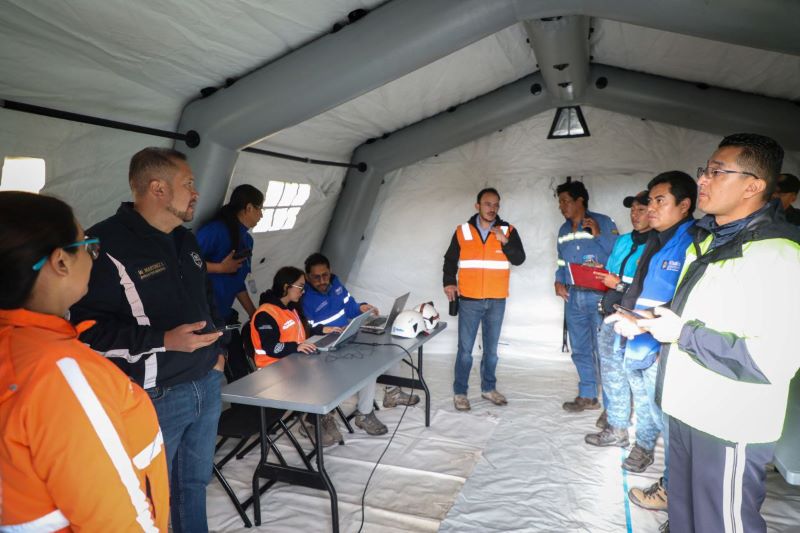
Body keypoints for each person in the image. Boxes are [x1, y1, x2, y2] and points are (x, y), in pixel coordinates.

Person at [628, 134, 800, 532]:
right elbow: (698, 314)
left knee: (722, 523)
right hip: (685, 410)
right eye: (704, 170)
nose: (703, 180)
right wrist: (646, 320)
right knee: (685, 518)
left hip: (728, 424)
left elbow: (774, 360)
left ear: (753, 186)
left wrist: (682, 334)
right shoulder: (705, 242)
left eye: (717, 172)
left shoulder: (780, 255)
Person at [71, 147, 225, 533]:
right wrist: (163, 340)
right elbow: (87, 331)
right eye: (188, 183)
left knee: (193, 485)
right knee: (149, 498)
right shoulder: (105, 244)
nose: (196, 192)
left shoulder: (185, 240)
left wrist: (217, 354)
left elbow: (207, 300)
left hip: (206, 382)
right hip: (155, 397)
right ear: (158, 188)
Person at [0, 192, 168, 531]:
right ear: (61, 261)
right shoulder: (60, 373)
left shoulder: (17, 347)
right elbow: (116, 523)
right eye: (88, 246)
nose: (93, 258)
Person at [599, 171, 696, 491]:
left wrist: (643, 319)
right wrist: (626, 315)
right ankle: (644, 448)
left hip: (664, 345)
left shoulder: (694, 241)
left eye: (659, 201)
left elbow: (688, 299)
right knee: (645, 407)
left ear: (684, 205)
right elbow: (640, 288)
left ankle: (674, 489)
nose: (650, 208)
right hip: (638, 339)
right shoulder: (656, 239)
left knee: (668, 420)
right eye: (649, 201)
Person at [251, 266, 386, 446]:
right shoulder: (265, 314)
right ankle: (314, 420)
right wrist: (296, 346)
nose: (303, 291)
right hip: (274, 373)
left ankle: (323, 417)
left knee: (357, 364)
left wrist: (322, 330)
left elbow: (302, 331)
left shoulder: (290, 307)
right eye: (300, 286)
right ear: (286, 287)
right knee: (330, 374)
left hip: (295, 363)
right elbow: (271, 347)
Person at [302, 253, 420, 410]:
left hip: (346, 336)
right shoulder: (305, 298)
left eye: (325, 275)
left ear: (330, 272)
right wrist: (327, 331)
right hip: (327, 347)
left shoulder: (335, 284)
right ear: (308, 277)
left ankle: (393, 394)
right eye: (317, 277)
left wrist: (361, 308)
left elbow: (350, 307)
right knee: (367, 368)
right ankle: (364, 415)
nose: (323, 281)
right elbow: (306, 332)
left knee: (388, 349)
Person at [443, 187, 526, 411]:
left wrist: (505, 241)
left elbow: (519, 259)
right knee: (465, 351)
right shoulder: (462, 231)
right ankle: (460, 392)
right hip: (469, 300)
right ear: (477, 206)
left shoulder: (508, 230)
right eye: (488, 204)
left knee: (491, 352)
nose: (492, 208)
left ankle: (488, 388)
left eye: (496, 204)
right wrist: (449, 281)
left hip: (496, 300)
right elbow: (450, 260)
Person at [585, 190, 651, 432]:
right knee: (611, 369)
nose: (635, 215)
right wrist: (602, 272)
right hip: (611, 314)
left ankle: (636, 427)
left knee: (634, 372)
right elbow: (613, 271)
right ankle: (614, 413)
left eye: (641, 210)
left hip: (636, 318)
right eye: (632, 210)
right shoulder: (623, 241)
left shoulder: (656, 244)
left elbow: (647, 287)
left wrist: (619, 284)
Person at [554, 180, 618, 412]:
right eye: (560, 202)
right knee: (580, 348)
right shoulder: (563, 230)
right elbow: (561, 261)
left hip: (600, 295)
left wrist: (598, 234)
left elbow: (617, 254)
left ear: (580, 200)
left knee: (604, 350)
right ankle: (588, 395)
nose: (561, 206)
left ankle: (612, 408)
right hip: (573, 296)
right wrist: (558, 280)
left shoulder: (603, 222)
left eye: (565, 201)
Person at [197, 183, 264, 321]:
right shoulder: (214, 231)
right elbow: (185, 263)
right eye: (260, 209)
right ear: (249, 208)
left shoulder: (248, 240)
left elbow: (237, 282)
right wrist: (220, 268)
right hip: (200, 314)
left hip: (222, 315)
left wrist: (253, 313)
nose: (261, 215)